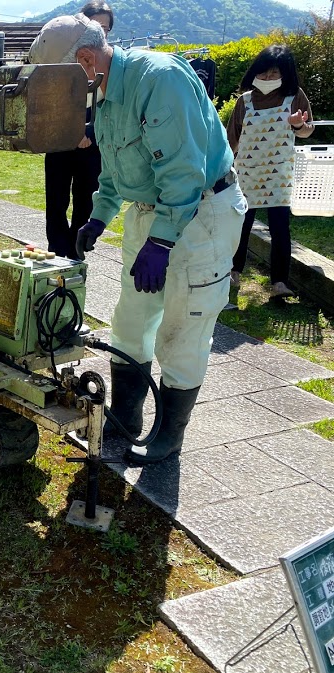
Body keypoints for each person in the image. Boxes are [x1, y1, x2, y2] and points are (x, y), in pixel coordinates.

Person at [29, 15, 246, 465]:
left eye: (64, 84)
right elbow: (113, 169)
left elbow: (184, 175)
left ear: (85, 62)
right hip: (150, 214)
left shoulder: (159, 82)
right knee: (130, 323)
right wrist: (99, 216)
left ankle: (169, 436)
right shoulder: (106, 95)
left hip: (200, 213)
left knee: (182, 329)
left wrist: (162, 244)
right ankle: (125, 419)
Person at [227, 45, 314, 298]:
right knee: (241, 225)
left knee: (280, 229)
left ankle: (279, 283)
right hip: (247, 173)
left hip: (279, 176)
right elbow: (231, 138)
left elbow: (307, 130)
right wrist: (221, 167)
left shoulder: (294, 96)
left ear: (285, 73)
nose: (266, 79)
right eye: (263, 73)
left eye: (273, 74)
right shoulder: (244, 101)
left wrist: (298, 125)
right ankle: (233, 271)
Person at [40, 2, 114, 258]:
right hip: (61, 142)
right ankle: (56, 250)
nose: (102, 32)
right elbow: (52, 104)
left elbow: (107, 109)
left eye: (106, 27)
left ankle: (78, 250)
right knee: (57, 199)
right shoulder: (68, 64)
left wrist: (89, 135)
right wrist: (72, 132)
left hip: (93, 146)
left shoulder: (107, 66)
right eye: (98, 26)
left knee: (87, 198)